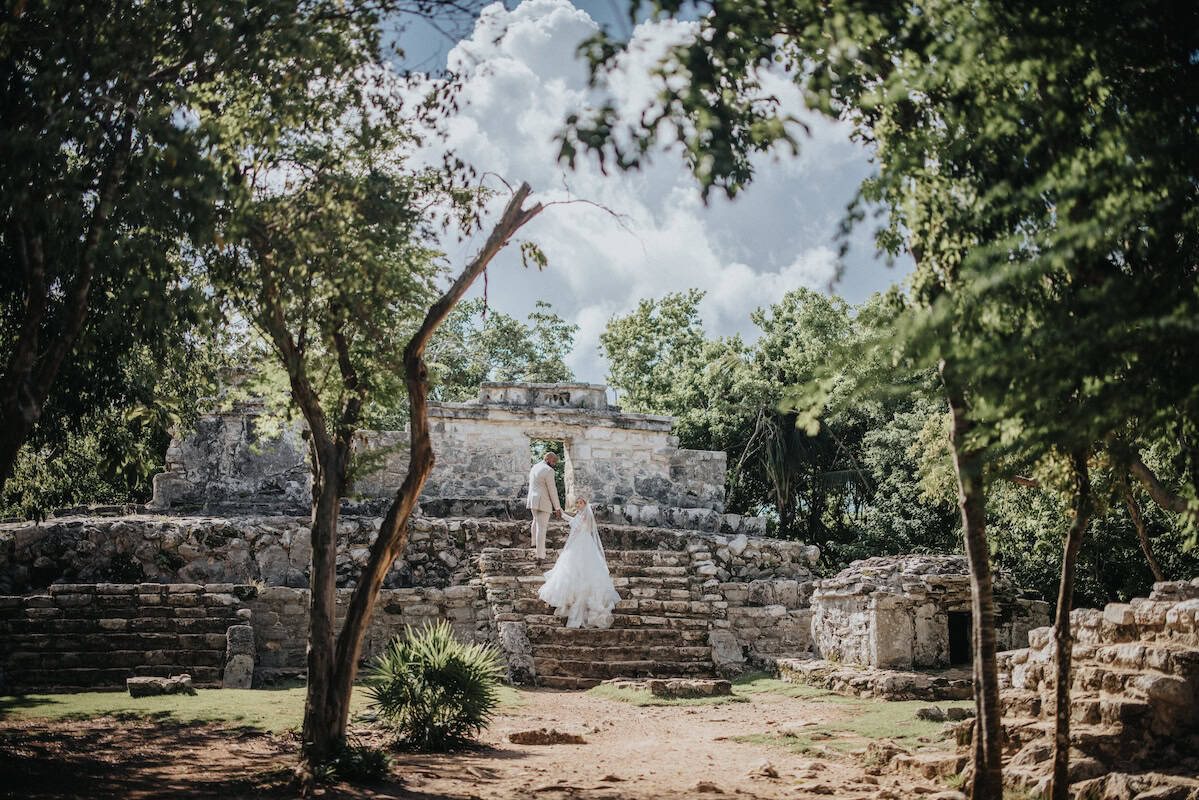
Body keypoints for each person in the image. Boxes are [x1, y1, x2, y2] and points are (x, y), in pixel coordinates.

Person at [538, 497, 621, 629]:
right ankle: (569, 597)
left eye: (580, 503)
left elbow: (578, 525)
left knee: (584, 568)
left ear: (585, 504)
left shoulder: (587, 515)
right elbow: (574, 521)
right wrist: (564, 515)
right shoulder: (580, 515)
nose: (578, 504)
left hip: (584, 543)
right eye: (577, 503)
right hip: (578, 542)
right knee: (570, 567)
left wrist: (565, 516)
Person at [526, 451, 562, 560]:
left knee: (535, 520)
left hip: (533, 499)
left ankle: (533, 543)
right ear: (547, 459)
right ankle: (540, 555)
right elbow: (552, 490)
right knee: (542, 528)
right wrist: (557, 507)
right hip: (543, 501)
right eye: (553, 461)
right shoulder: (548, 470)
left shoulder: (534, 467)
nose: (554, 464)